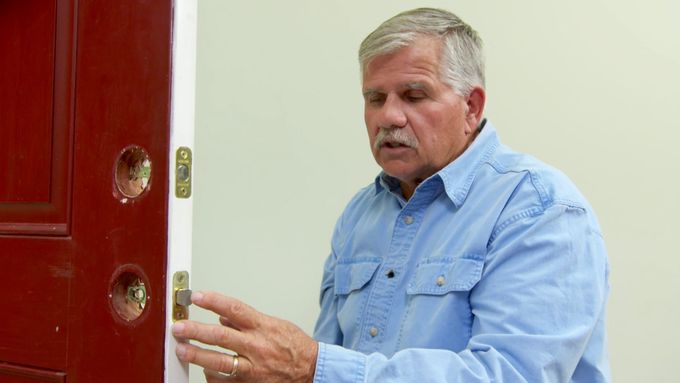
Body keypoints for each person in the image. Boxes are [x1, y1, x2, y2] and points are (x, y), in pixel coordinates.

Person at [172, 7, 611, 382]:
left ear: (471, 107)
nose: (389, 116)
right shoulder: (361, 215)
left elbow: (508, 375)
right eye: (375, 97)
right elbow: (325, 367)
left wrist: (310, 366)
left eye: (414, 95)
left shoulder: (540, 208)